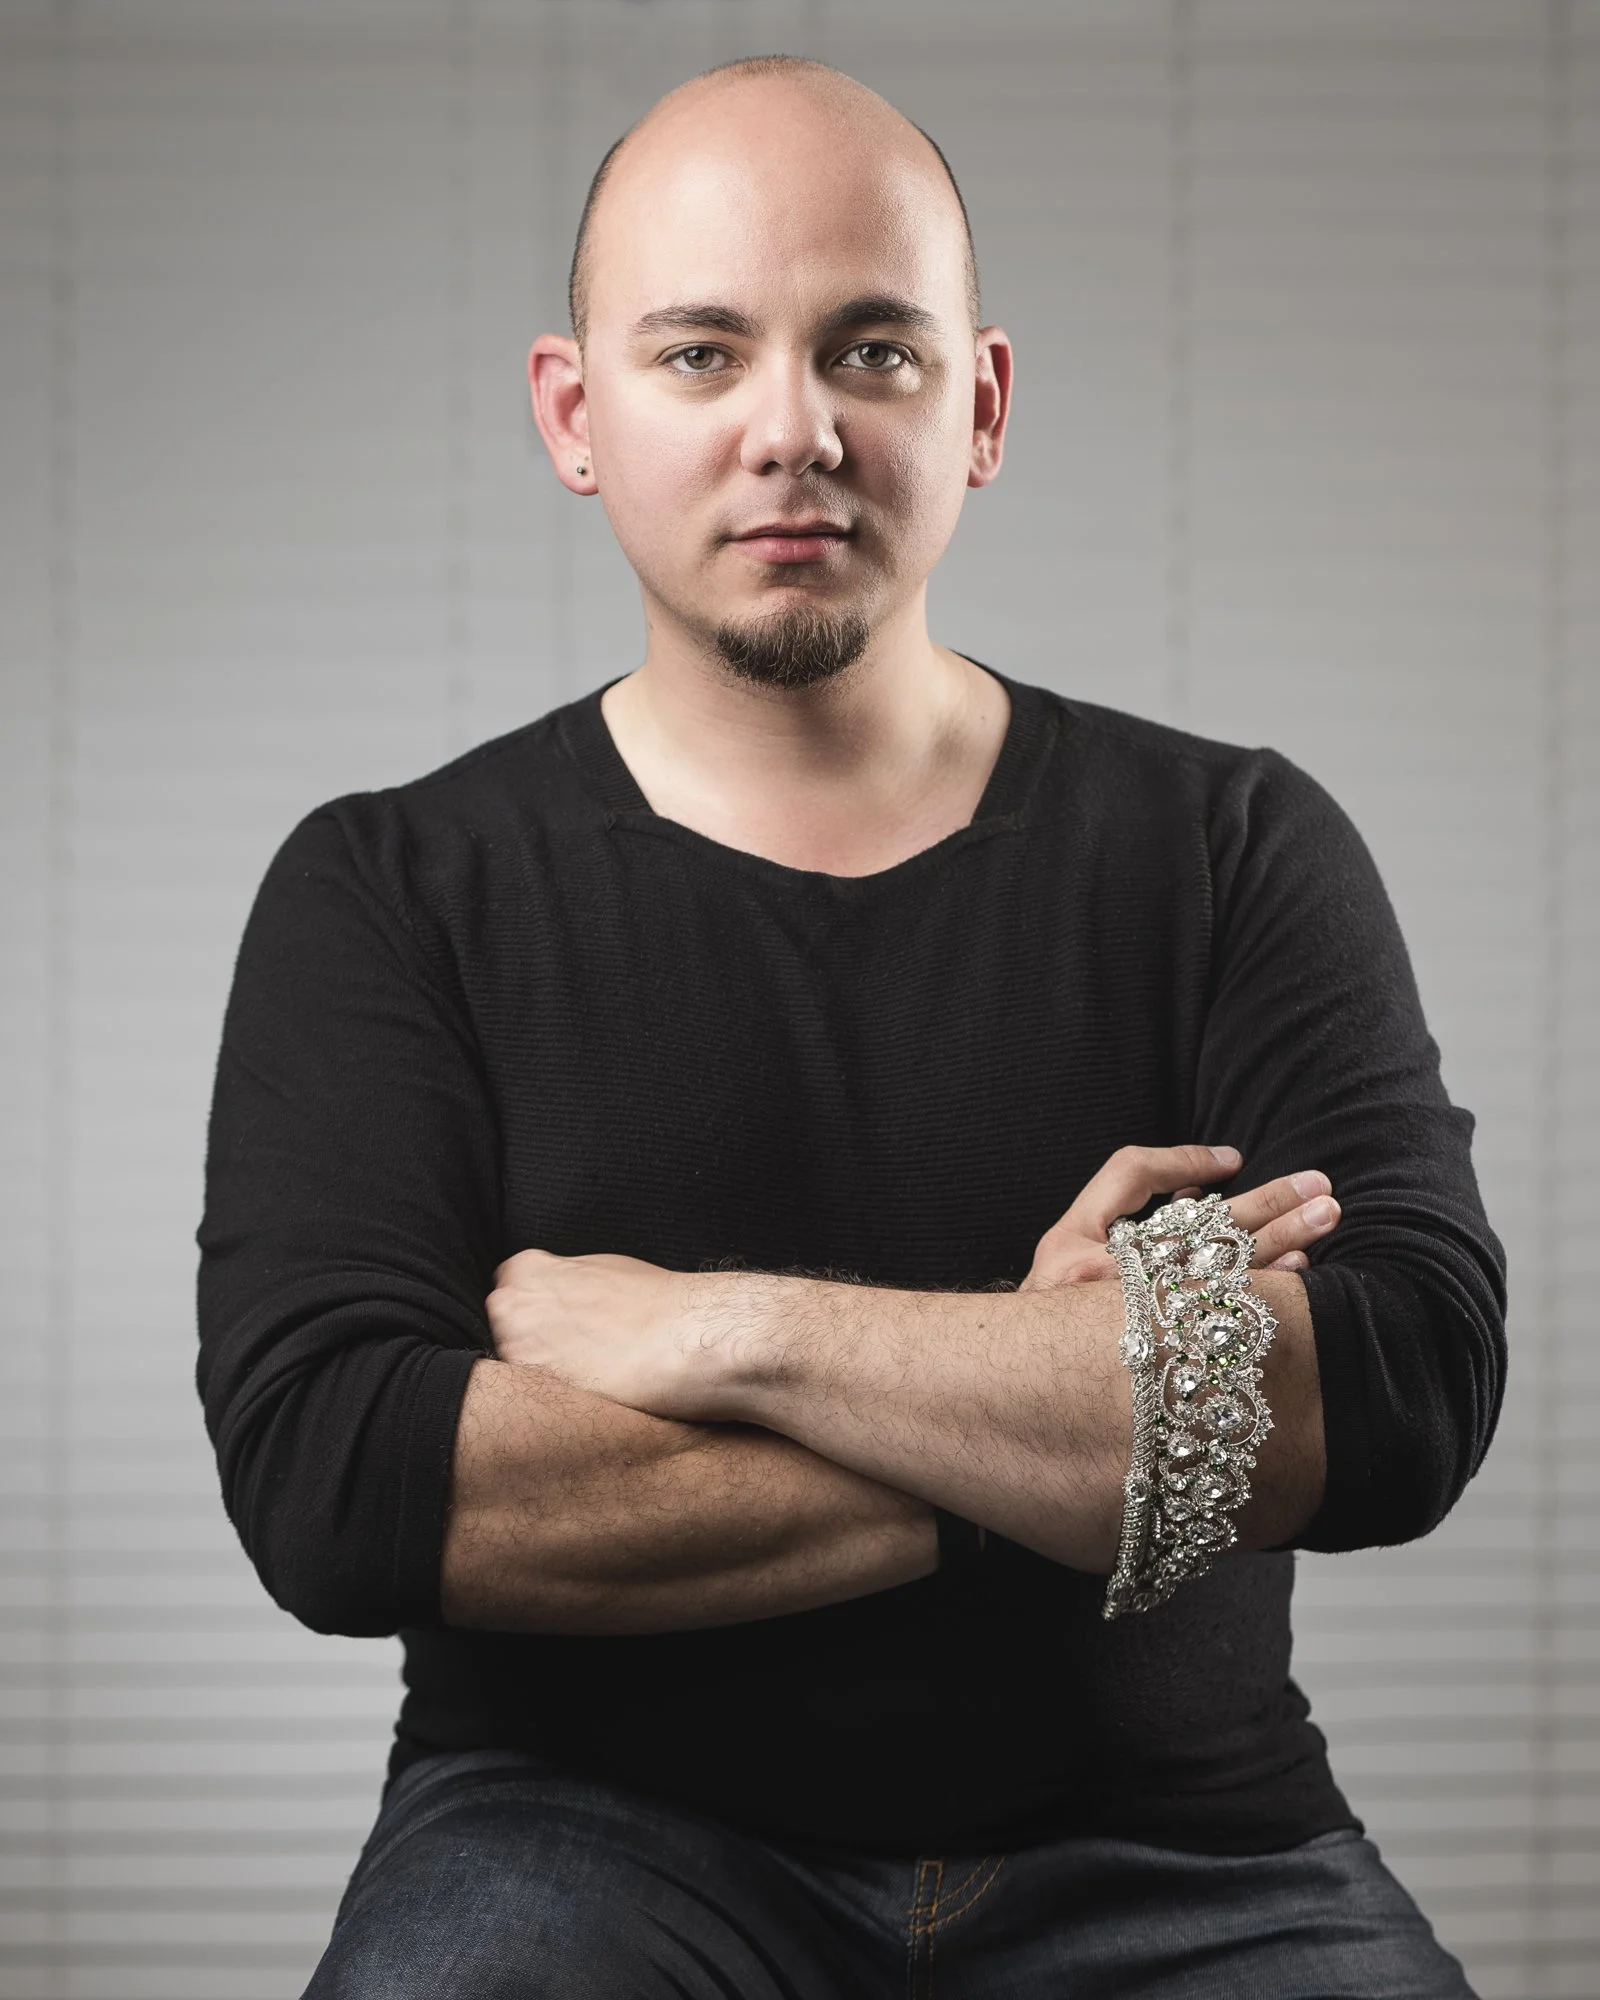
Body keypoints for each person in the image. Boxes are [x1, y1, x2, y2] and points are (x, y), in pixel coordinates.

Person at [195, 52, 1506, 1999]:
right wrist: (1058, 1407)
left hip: (1184, 1860)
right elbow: (347, 1485)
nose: (789, 430)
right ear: (578, 412)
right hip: (580, 1835)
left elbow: (1395, 1387)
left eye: (870, 352)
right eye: (701, 354)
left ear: (976, 406)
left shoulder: (1228, 843)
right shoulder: (392, 888)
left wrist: (718, 1328)